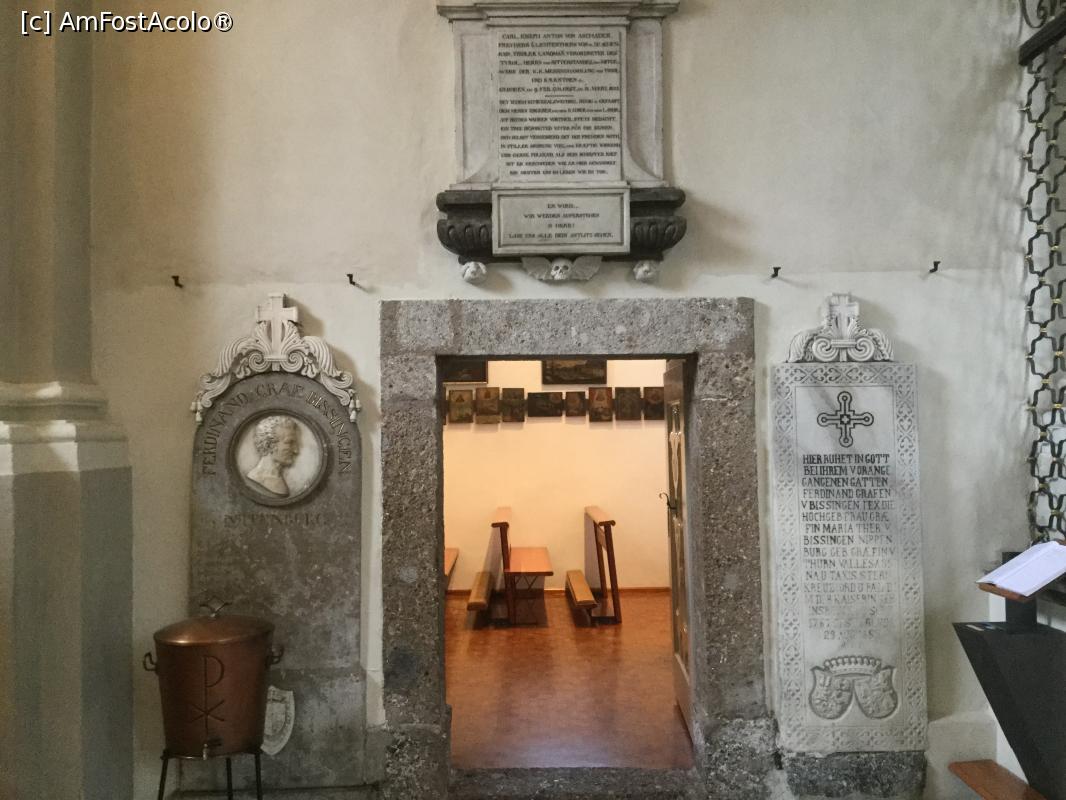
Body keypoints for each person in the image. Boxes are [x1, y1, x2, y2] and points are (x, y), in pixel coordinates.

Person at [246, 415, 301, 496]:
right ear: (268, 444)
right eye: (289, 442)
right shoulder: (255, 479)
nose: (296, 451)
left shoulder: (279, 480)